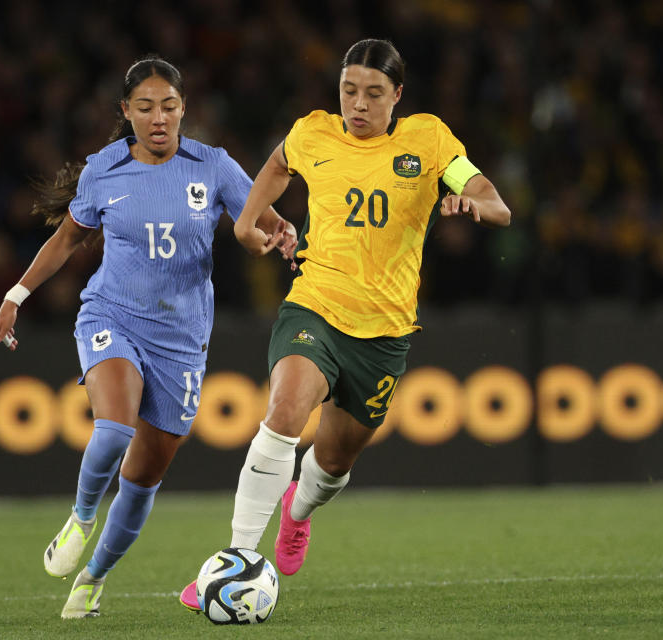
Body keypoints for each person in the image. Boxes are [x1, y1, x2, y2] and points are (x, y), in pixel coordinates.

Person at [180, 38, 511, 609]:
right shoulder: (314, 132)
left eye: (373, 94)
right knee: (284, 412)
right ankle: (234, 564)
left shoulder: (428, 140)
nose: (358, 104)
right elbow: (280, 163)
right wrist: (246, 221)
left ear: (397, 96)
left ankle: (297, 511)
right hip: (315, 304)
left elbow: (492, 199)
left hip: (383, 333)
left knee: (333, 461)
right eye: (349, 91)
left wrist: (475, 205)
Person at [0, 56, 297, 619]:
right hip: (113, 316)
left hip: (181, 341)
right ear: (125, 112)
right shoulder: (103, 170)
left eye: (169, 106)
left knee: (142, 478)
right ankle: (80, 519)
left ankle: (93, 579)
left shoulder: (214, 167)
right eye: (146, 107)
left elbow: (260, 222)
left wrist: (280, 234)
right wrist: (16, 296)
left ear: (184, 110)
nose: (159, 118)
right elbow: (65, 240)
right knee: (113, 428)